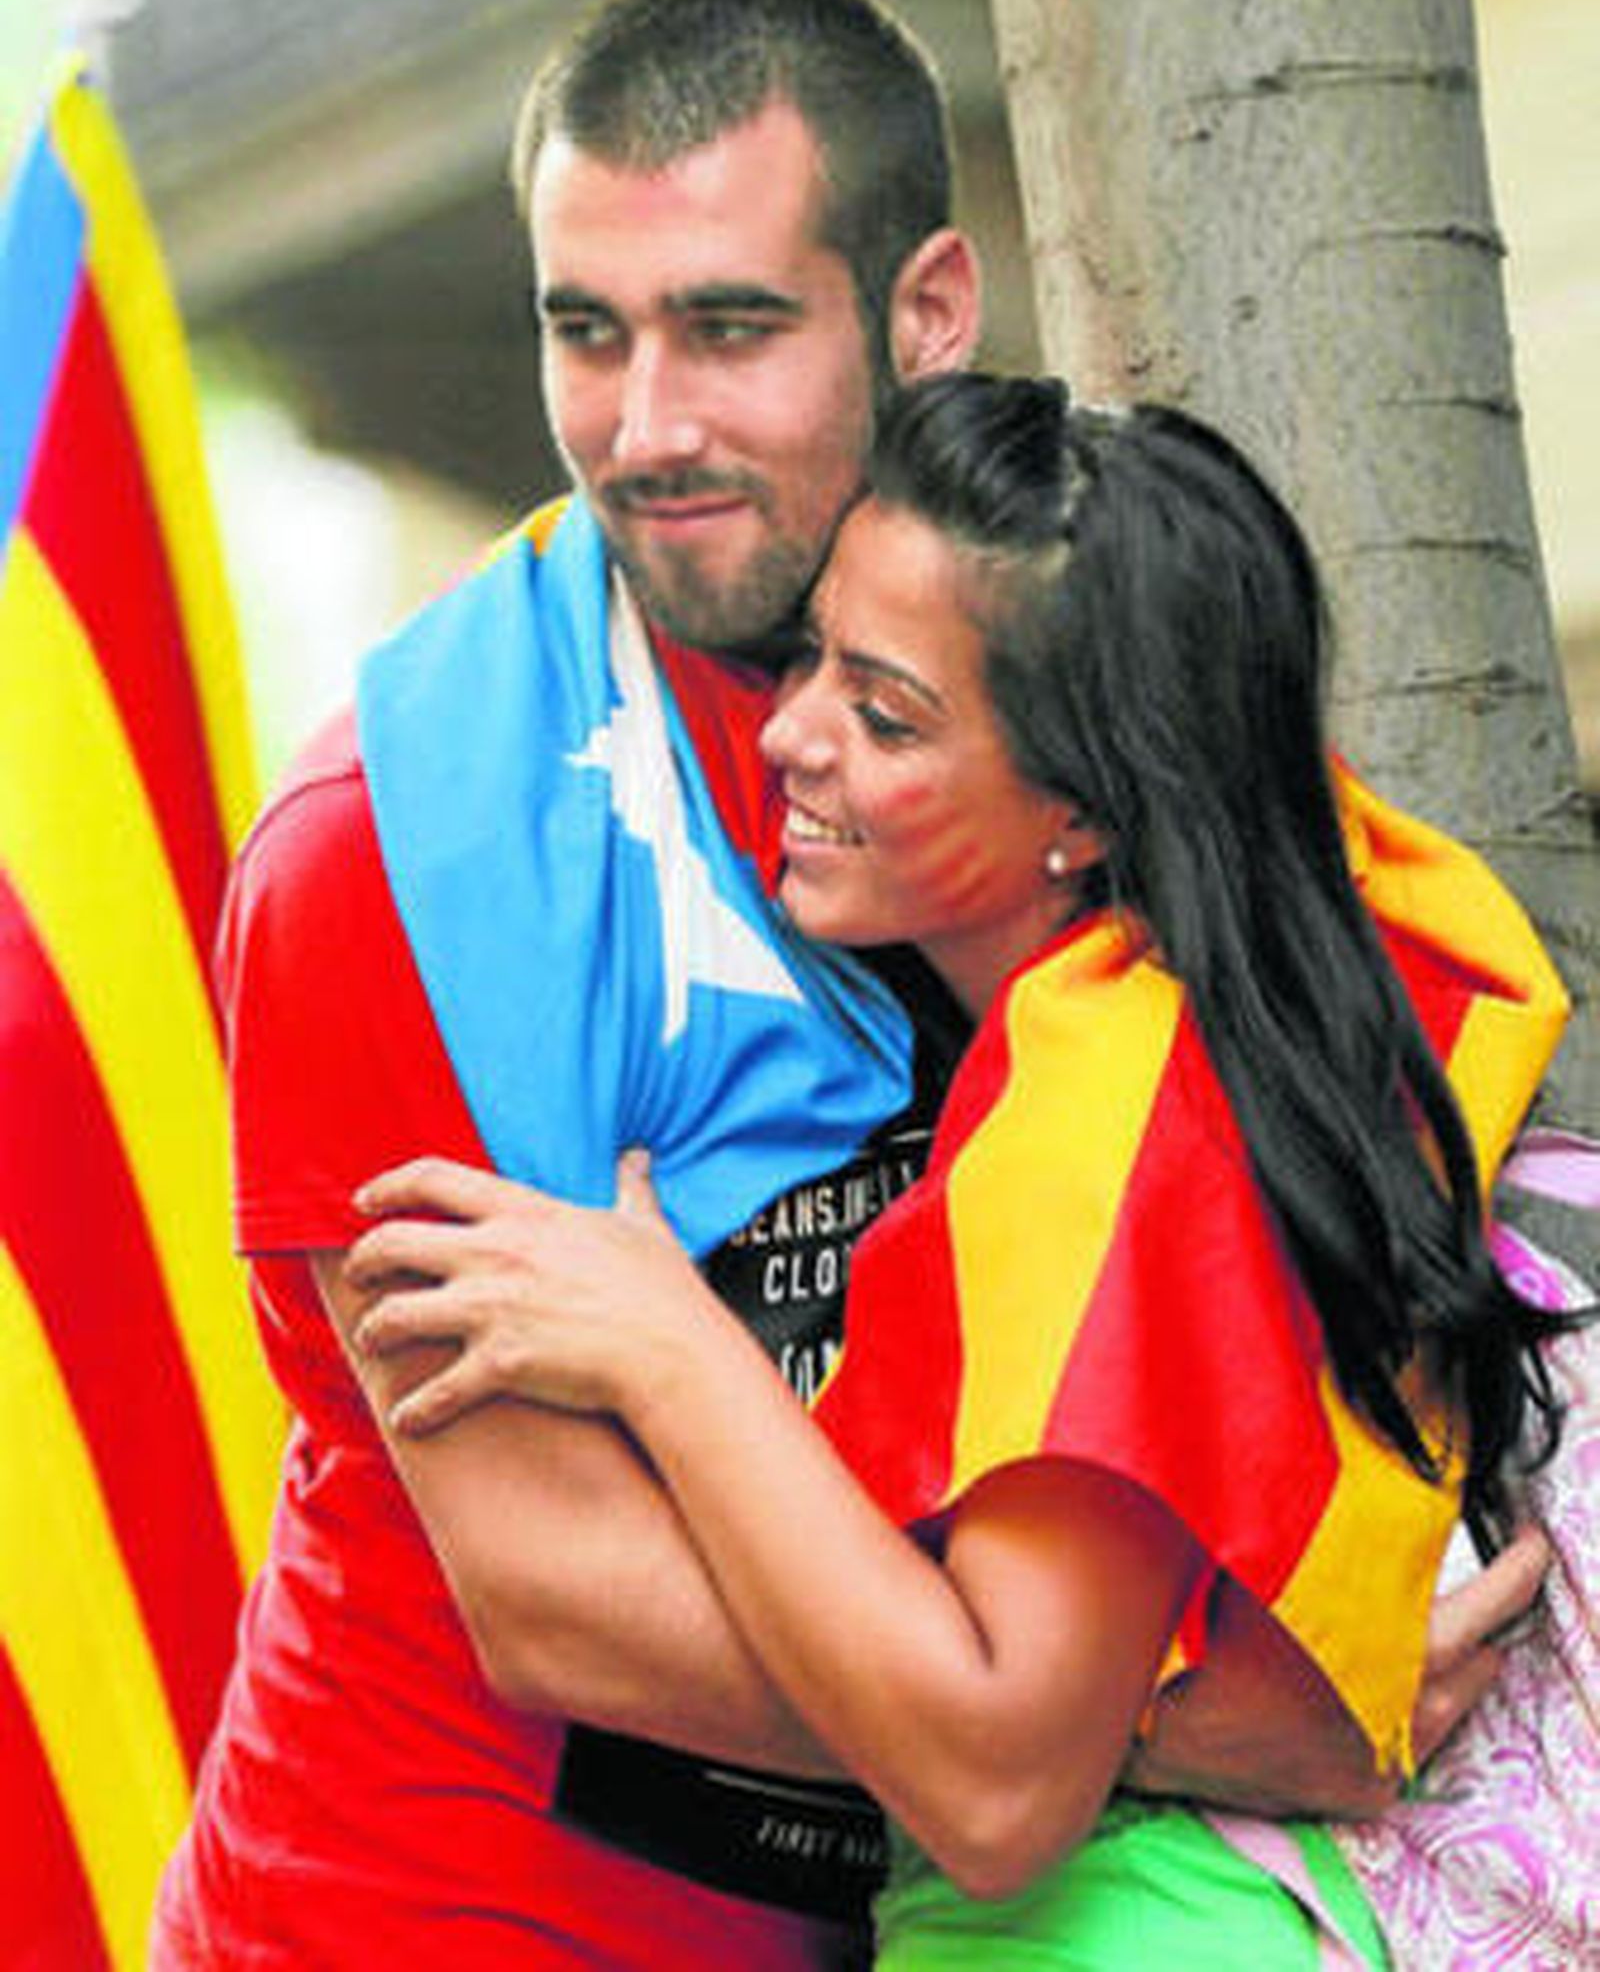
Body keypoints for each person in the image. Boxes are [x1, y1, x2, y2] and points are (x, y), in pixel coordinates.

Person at [152, 0, 1546, 1970]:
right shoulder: (391, 849)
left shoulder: (1071, 696)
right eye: (583, 332)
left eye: (729, 329)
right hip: (418, 1914)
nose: (643, 430)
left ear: (924, 314)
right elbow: (549, 1588)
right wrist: (1210, 1725)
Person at [344, 373, 1574, 1968]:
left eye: (886, 711)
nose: (788, 734)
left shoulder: (1106, 1122)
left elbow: (999, 1786)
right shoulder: (1277, 961)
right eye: (810, 658)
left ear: (1083, 808)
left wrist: (665, 1347)